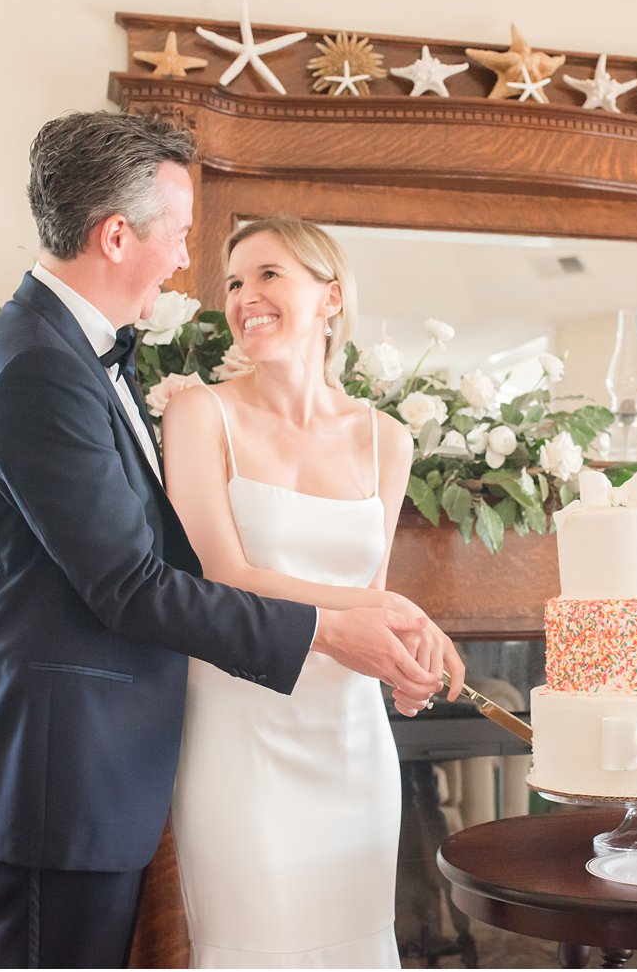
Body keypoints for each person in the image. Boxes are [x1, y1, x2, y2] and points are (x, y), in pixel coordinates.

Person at [0, 112, 453, 969]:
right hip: (60, 775)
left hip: (97, 769)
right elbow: (134, 585)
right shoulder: (39, 366)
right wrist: (332, 629)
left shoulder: (74, 354)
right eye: (181, 236)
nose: (186, 261)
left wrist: (390, 615)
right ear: (116, 235)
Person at [158, 216, 465, 968]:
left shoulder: (387, 439)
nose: (244, 295)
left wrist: (404, 658)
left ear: (330, 297)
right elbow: (224, 575)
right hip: (240, 735)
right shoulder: (200, 413)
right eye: (233, 281)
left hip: (351, 741)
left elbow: (370, 591)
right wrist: (391, 613)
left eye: (269, 274)